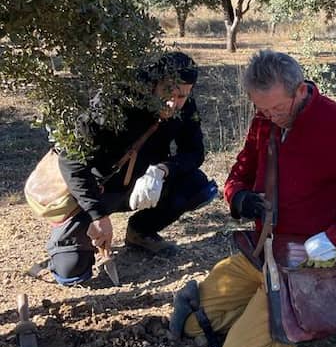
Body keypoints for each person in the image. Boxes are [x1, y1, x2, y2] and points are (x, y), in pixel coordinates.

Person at [170, 49, 336, 347]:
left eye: (277, 108)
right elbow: (241, 169)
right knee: (194, 325)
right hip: (262, 251)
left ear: (299, 90)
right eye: (261, 109)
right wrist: (238, 197)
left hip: (304, 262)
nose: (269, 116)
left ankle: (310, 320)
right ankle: (266, 307)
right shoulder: (265, 119)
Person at [47, 51, 218, 286]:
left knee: (197, 186)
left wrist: (162, 170)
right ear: (153, 83)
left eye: (182, 96)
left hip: (144, 188)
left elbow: (195, 152)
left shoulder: (185, 107)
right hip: (99, 192)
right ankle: (68, 243)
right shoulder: (115, 100)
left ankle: (140, 231)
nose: (173, 103)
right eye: (169, 91)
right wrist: (98, 215)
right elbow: (71, 160)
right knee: (71, 273)